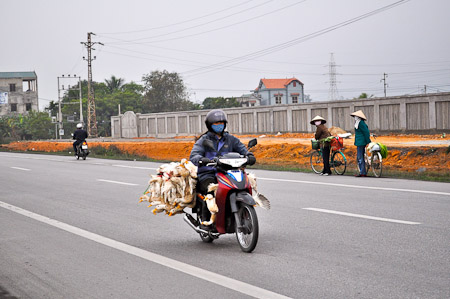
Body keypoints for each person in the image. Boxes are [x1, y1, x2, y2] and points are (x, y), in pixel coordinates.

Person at [189, 109, 256, 220]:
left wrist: (249, 156)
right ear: (210, 125)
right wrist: (203, 160)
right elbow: (194, 155)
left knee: (243, 185)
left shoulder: (231, 139)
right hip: (208, 173)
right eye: (216, 123)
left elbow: (242, 149)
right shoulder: (203, 140)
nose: (219, 125)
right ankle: (206, 222)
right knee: (211, 192)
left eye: (221, 123)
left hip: (228, 172)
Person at [351, 110, 371, 177]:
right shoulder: (357, 123)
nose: (355, 117)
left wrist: (368, 141)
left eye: (356, 116)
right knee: (360, 157)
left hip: (361, 142)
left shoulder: (361, 123)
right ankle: (362, 171)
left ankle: (362, 172)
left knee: (360, 157)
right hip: (359, 142)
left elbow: (366, 132)